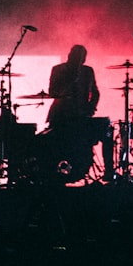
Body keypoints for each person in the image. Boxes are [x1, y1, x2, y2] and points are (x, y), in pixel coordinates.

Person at [44, 44, 102, 182]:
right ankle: (57, 173)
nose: (79, 61)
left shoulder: (88, 71)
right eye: (76, 56)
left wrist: (91, 108)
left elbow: (95, 92)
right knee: (57, 145)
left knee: (83, 145)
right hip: (61, 114)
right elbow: (53, 91)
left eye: (81, 58)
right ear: (70, 56)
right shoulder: (58, 70)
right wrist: (71, 80)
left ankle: (82, 171)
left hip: (81, 114)